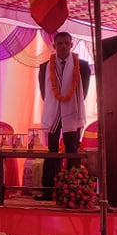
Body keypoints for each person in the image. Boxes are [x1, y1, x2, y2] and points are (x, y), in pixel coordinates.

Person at [37, 31, 92, 200]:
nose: (63, 46)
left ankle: (72, 190)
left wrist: (68, 106)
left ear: (71, 45)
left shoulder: (82, 65)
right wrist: (57, 105)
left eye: (66, 43)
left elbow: (84, 92)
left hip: (72, 113)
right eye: (59, 43)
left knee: (72, 150)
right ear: (54, 46)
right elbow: (44, 92)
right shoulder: (45, 66)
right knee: (51, 151)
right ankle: (48, 190)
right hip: (53, 113)